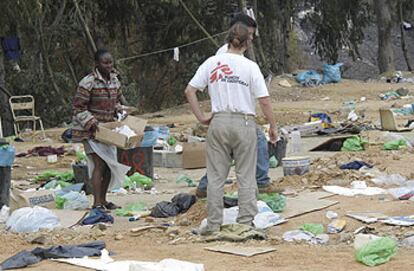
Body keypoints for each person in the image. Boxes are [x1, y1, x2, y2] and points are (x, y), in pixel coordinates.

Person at [185, 22, 277, 234]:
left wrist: (201, 117)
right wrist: (273, 126)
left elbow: (190, 90)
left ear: (228, 39)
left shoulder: (212, 62)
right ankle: (245, 224)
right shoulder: (250, 67)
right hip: (244, 122)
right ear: (248, 42)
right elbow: (264, 100)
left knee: (216, 176)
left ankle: (214, 225)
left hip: (218, 122)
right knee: (246, 175)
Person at [195, 13, 272, 198]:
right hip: (235, 113)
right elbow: (263, 99)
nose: (252, 39)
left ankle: (206, 188)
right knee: (255, 144)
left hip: (225, 115)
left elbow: (192, 89)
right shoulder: (226, 56)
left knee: (223, 155)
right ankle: (259, 184)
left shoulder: (225, 55)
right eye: (250, 35)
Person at [72, 49, 124, 211]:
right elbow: (78, 107)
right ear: (97, 64)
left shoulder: (115, 80)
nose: (109, 66)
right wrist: (92, 122)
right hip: (92, 131)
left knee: (109, 166)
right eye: (105, 63)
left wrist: (119, 109)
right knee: (99, 164)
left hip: (108, 130)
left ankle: (104, 200)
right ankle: (96, 203)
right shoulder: (88, 82)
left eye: (110, 62)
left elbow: (116, 100)